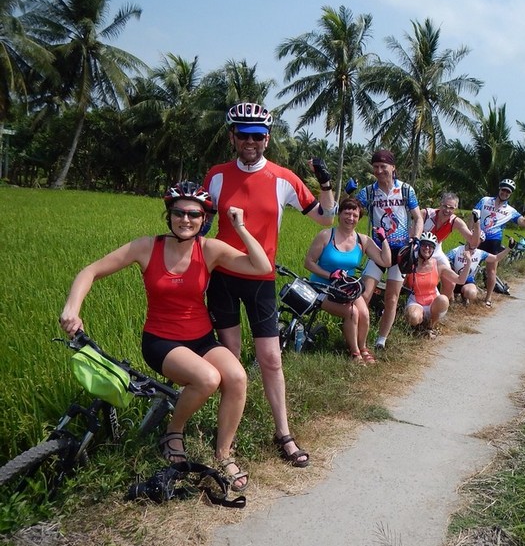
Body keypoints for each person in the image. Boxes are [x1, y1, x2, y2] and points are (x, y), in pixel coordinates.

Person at [59, 182, 271, 492]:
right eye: (179, 213)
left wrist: (239, 227)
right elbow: (89, 271)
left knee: (237, 377)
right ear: (169, 215)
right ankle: (174, 431)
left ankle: (224, 452)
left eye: (194, 214)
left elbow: (261, 266)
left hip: (201, 339)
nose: (186, 220)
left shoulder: (209, 249)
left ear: (204, 218)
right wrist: (72, 309)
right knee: (207, 379)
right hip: (161, 341)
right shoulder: (147, 247)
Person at [201, 102, 337, 468]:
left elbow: (325, 217)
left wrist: (324, 183)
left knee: (271, 359)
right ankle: (228, 437)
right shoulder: (215, 176)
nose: (250, 142)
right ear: (232, 136)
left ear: (268, 138)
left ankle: (284, 433)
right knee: (231, 361)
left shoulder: (284, 178)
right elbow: (198, 226)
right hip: (223, 279)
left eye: (258, 136)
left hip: (261, 280)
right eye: (243, 135)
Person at [304, 197, 392, 365]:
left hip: (346, 288)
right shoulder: (325, 235)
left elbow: (385, 261)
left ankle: (363, 347)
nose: (350, 218)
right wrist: (329, 275)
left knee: (364, 313)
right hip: (322, 287)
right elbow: (308, 263)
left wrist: (384, 239)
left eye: (355, 215)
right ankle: (354, 352)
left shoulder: (362, 240)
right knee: (352, 312)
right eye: (347, 213)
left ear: (359, 218)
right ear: (340, 214)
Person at [355, 149, 423, 350]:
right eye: (375, 167)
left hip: (401, 251)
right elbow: (350, 213)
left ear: (393, 168)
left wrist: (416, 240)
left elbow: (418, 217)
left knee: (391, 297)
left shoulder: (405, 190)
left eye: (383, 167)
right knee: (364, 295)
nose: (379, 171)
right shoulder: (368, 192)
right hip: (377, 249)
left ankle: (381, 340)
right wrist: (349, 195)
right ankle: (359, 339)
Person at [474, 178, 525, 308]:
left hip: (494, 240)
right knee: (469, 264)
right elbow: (473, 215)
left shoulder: (510, 211)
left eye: (508, 192)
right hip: (479, 237)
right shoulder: (485, 200)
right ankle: (464, 293)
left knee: (491, 270)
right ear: (499, 189)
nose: (505, 193)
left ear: (510, 194)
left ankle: (488, 298)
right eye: (503, 190)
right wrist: (470, 232)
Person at [403, 232, 471, 338]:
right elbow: (399, 286)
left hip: (434, 305)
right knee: (413, 318)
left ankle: (431, 327)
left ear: (434, 249)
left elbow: (460, 280)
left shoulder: (438, 266)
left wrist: (468, 262)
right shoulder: (410, 265)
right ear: (419, 246)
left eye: (430, 246)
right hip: (416, 302)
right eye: (424, 244)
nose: (427, 248)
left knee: (443, 299)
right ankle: (418, 327)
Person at [420, 191, 481, 296]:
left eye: (451, 208)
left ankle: (441, 307)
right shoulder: (426, 214)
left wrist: (477, 223)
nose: (447, 210)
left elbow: (473, 242)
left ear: (455, 208)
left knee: (450, 283)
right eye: (445, 206)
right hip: (420, 246)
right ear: (440, 204)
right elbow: (411, 234)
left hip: (436, 248)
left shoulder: (456, 222)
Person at [446, 231, 516, 306]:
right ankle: (452, 301)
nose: (475, 242)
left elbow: (496, 258)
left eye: (478, 240)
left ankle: (465, 298)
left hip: (468, 281)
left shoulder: (480, 253)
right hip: (455, 279)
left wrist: (509, 248)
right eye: (473, 238)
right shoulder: (457, 250)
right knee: (449, 284)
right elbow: (444, 258)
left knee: (471, 293)